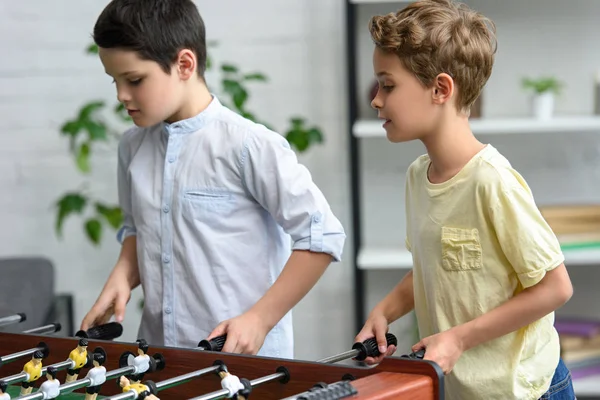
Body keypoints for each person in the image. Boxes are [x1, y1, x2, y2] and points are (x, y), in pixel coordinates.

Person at [80, 0, 345, 360]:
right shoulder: (131, 147)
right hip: (158, 361)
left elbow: (322, 235)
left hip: (248, 368)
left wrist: (260, 320)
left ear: (184, 64)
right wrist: (123, 276)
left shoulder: (249, 145)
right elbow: (137, 229)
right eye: (115, 81)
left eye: (135, 80)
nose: (121, 96)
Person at [354, 1, 575, 399]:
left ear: (440, 89)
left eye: (388, 85)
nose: (376, 100)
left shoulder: (492, 182)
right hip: (461, 388)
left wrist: (457, 339)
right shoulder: (417, 177)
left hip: (525, 390)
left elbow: (555, 288)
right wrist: (384, 311)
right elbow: (436, 266)